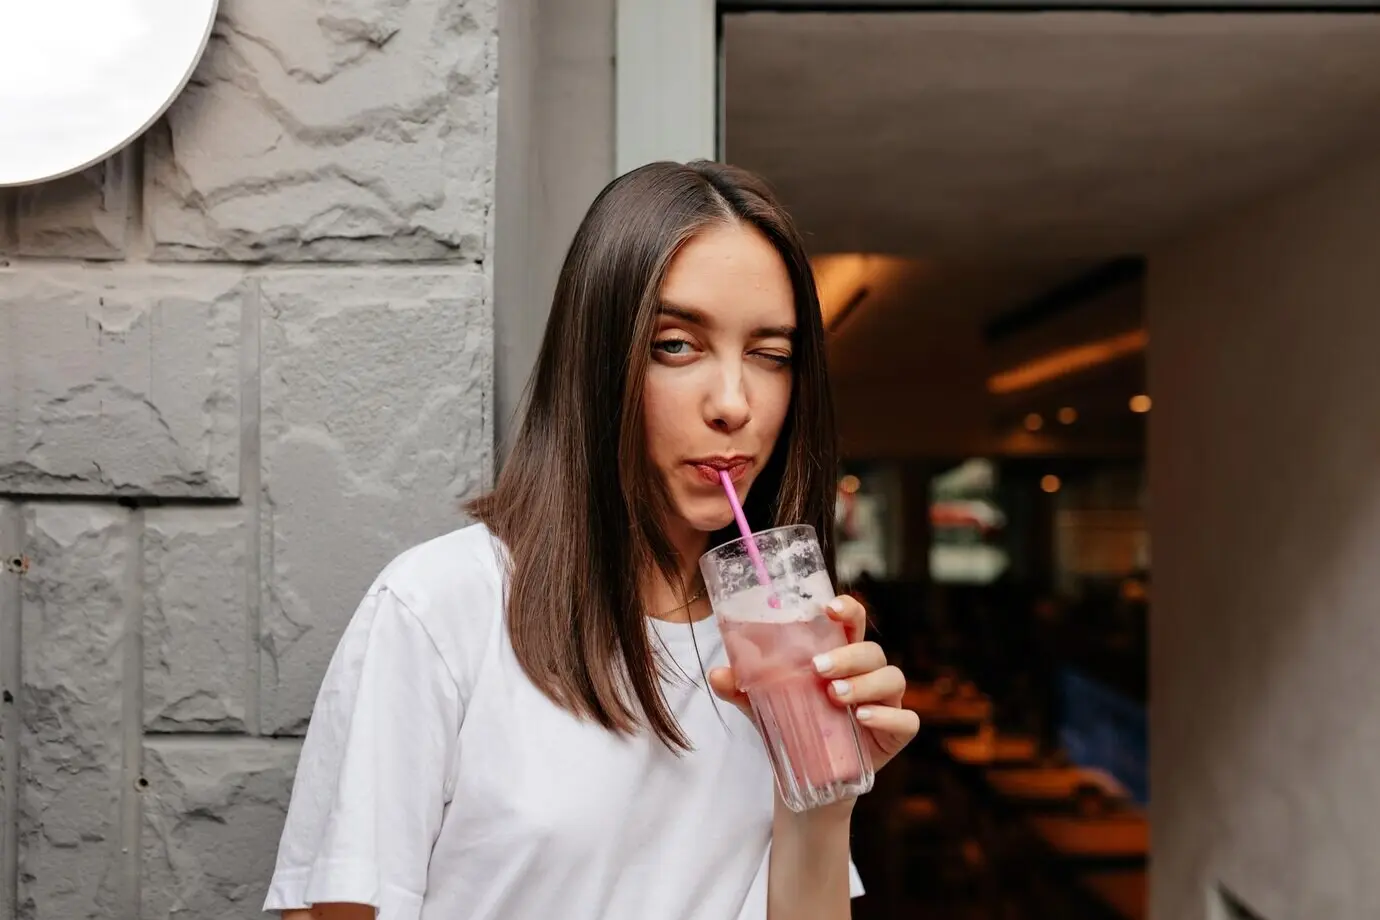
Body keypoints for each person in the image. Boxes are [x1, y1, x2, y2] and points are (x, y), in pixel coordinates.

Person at [262, 161, 918, 920]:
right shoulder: (442, 608)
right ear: (599, 358)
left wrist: (821, 794)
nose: (734, 403)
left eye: (770, 355)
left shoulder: (777, 643)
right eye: (677, 345)